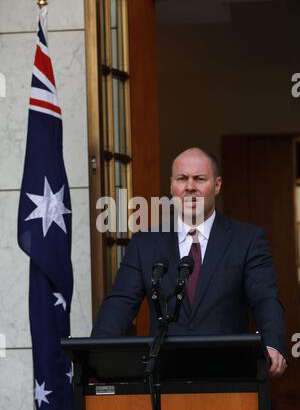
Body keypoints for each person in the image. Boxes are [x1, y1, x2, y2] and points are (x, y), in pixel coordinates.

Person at [92, 147, 287, 378]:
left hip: (230, 376)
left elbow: (265, 298)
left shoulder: (247, 239)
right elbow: (121, 302)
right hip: (166, 376)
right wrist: (97, 351)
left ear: (217, 185)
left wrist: (272, 344)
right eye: (182, 178)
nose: (190, 186)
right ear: (172, 185)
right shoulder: (145, 244)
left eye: (200, 179)